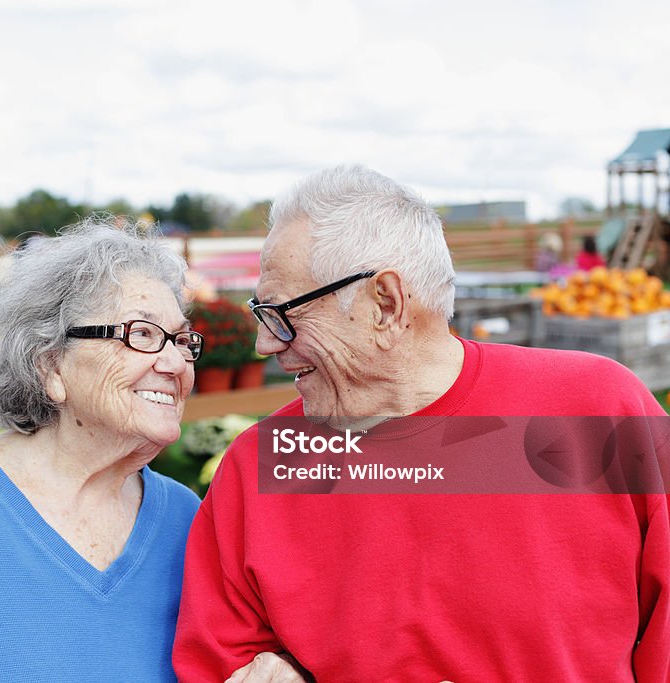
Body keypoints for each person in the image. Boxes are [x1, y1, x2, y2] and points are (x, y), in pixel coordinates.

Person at [173, 165, 670, 681]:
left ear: (384, 304)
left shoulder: (599, 408)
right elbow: (219, 662)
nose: (265, 344)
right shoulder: (261, 465)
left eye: (282, 314)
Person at [0, 217, 283, 681]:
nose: (174, 363)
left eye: (181, 340)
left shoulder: (187, 520)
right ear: (50, 366)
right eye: (141, 335)